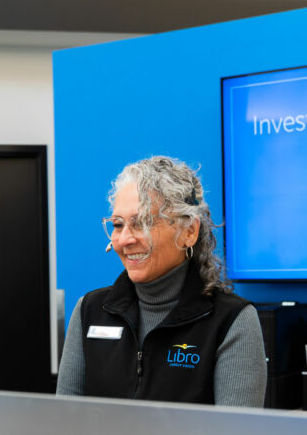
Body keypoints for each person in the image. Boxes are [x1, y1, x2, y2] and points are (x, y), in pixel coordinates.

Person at [56, 156, 267, 406]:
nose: (124, 239)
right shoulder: (89, 311)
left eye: (143, 222)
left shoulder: (231, 321)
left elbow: (234, 431)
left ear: (189, 231)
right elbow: (65, 421)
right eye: (118, 224)